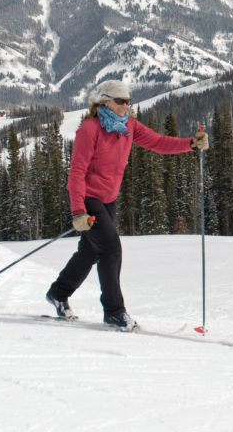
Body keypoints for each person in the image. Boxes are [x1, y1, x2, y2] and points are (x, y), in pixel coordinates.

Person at [46, 80, 209, 328]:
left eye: (128, 102)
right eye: (120, 101)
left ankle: (58, 293)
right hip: (89, 198)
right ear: (104, 102)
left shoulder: (128, 127)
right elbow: (76, 172)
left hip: (108, 200)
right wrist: (78, 210)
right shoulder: (89, 129)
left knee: (89, 253)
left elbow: (157, 141)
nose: (126, 106)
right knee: (110, 249)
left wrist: (190, 144)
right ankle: (113, 311)